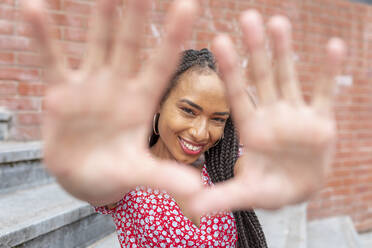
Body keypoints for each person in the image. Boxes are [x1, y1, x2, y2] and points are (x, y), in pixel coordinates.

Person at [22, 0, 346, 247]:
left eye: (218, 119)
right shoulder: (128, 173)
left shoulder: (223, 168)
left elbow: (255, 174)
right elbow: (99, 185)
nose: (201, 132)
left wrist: (281, 167)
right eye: (189, 111)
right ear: (158, 106)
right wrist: (82, 168)